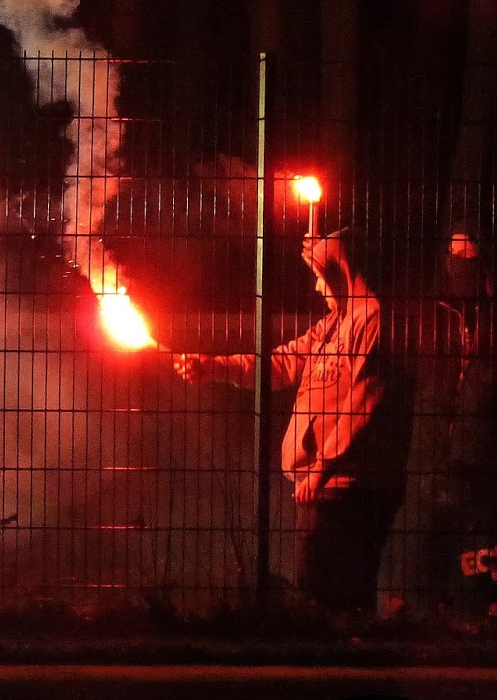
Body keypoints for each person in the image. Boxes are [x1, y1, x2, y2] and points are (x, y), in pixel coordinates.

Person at [173, 229, 415, 614]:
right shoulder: (332, 325)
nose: (317, 286)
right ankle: (341, 647)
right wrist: (215, 366)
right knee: (323, 591)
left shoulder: (375, 320)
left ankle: (342, 651)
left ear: (341, 271)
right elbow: (281, 363)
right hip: (329, 482)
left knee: (327, 592)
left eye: (321, 274)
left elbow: (364, 403)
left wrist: (321, 467)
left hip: (352, 484)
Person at [427, 227, 497, 614]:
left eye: (465, 256)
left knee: (487, 549)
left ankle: (486, 610)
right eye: (453, 256)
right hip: (452, 458)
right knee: (457, 549)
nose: (456, 265)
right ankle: (457, 607)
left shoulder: (495, 323)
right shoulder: (446, 317)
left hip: (487, 458)